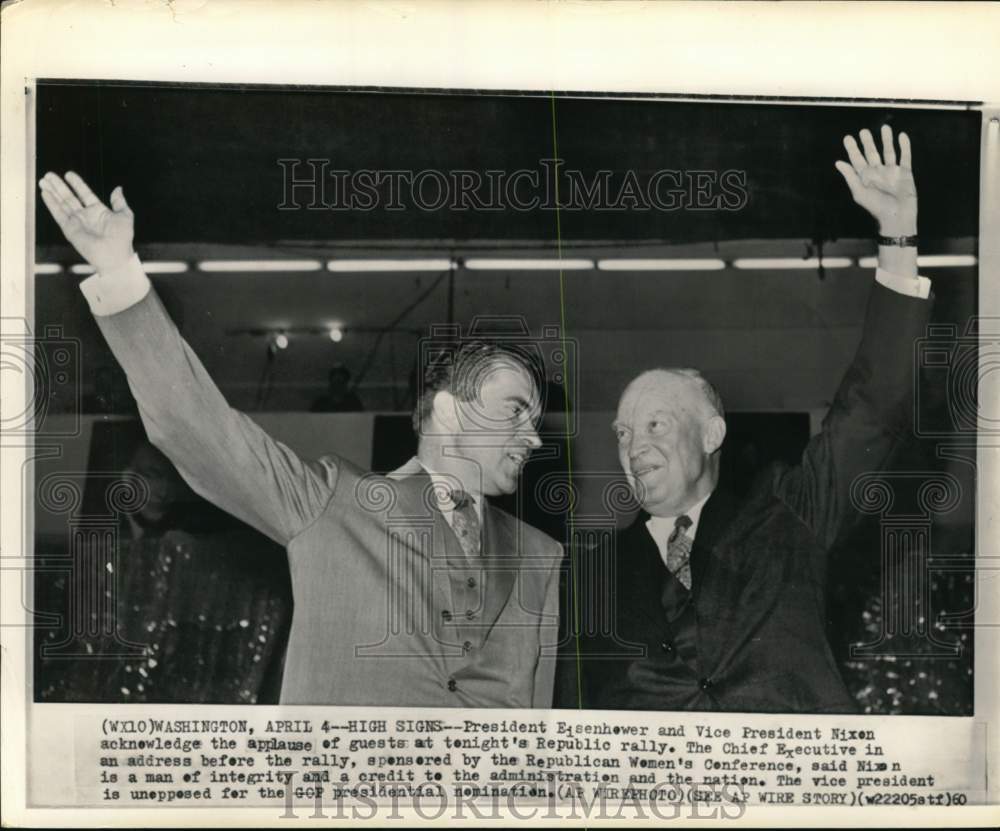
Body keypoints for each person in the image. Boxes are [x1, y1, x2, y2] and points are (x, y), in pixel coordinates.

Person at [38, 172, 562, 707]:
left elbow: (534, 718)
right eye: (516, 412)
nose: (534, 439)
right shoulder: (331, 504)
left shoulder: (542, 556)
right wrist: (119, 275)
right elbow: (198, 426)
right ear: (450, 410)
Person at [556, 126, 934, 712]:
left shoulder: (791, 513)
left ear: (712, 434)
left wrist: (897, 235)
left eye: (655, 424)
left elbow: (874, 408)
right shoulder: (588, 575)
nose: (634, 445)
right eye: (624, 432)